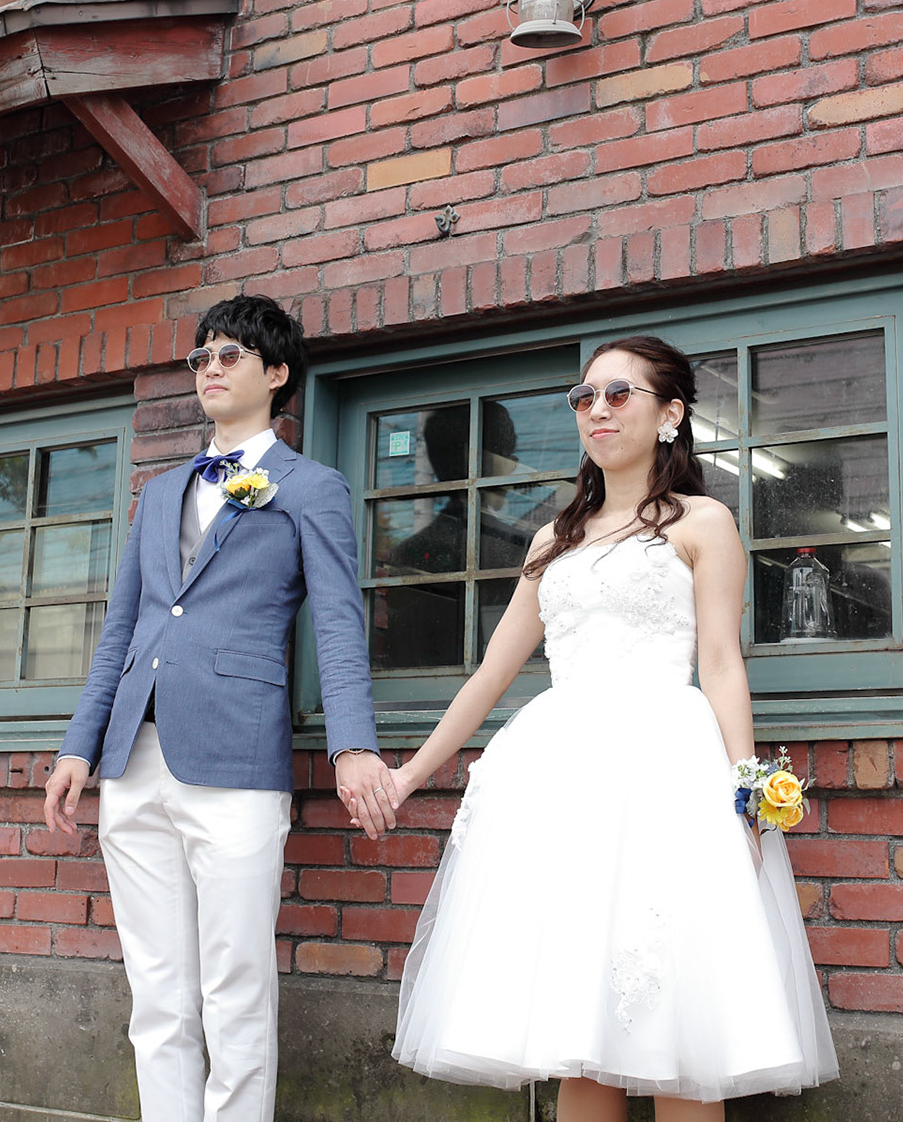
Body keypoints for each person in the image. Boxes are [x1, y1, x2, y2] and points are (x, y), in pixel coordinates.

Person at [384, 336, 839, 1120]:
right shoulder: (551, 539)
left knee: (678, 1036)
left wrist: (746, 788)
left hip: (665, 772)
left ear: (670, 414)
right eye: (584, 396)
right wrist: (408, 775)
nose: (597, 408)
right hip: (562, 782)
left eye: (619, 393)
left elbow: (722, 662)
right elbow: (490, 675)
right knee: (577, 1030)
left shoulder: (703, 523)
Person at [42, 294, 397, 1122]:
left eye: (229, 354)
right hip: (133, 762)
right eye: (201, 356)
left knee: (236, 989)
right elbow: (123, 627)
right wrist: (78, 747)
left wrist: (352, 745)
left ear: (276, 374)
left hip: (237, 760)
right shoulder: (160, 492)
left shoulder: (311, 487)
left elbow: (338, 624)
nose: (209, 368)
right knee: (158, 992)